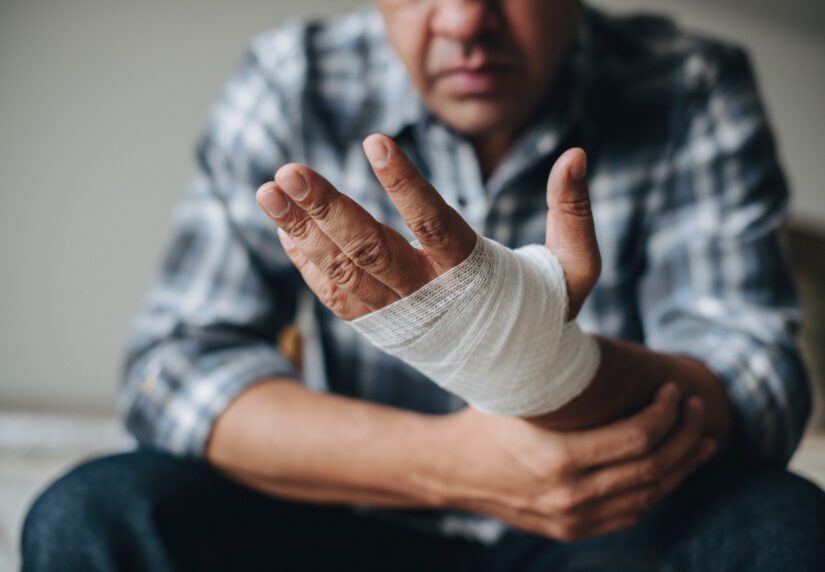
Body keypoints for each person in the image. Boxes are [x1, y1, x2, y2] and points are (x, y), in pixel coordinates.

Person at [21, 1, 825, 570]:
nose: (464, 20)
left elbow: (753, 383)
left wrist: (543, 373)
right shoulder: (290, 79)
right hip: (351, 520)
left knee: (784, 525)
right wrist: (455, 461)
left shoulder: (690, 84)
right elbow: (174, 367)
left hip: (609, 526)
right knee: (94, 512)